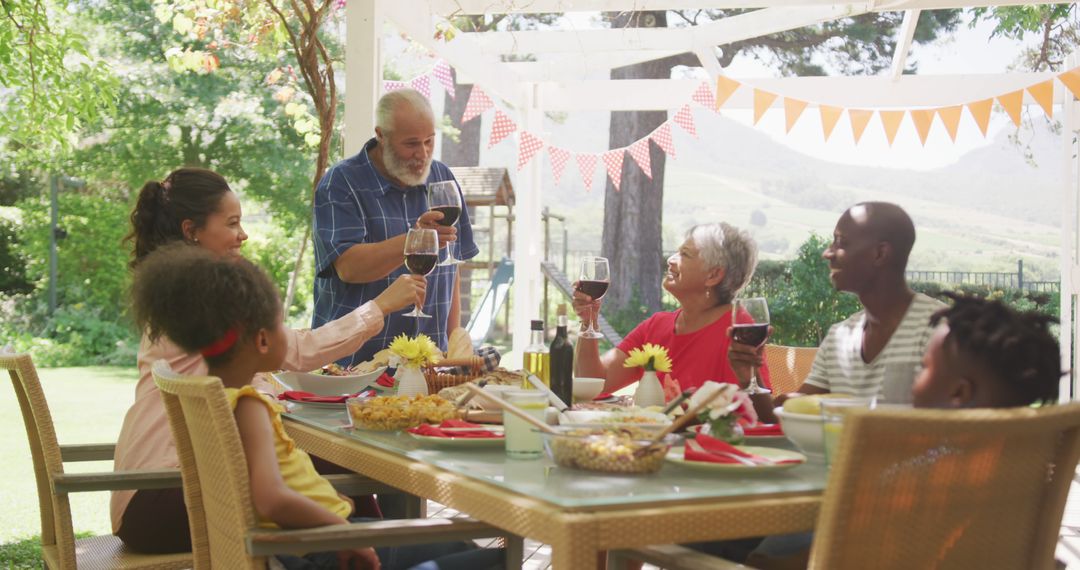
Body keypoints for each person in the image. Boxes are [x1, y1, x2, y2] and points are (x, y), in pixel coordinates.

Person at [131, 244, 503, 570]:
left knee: (452, 549)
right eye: (282, 325)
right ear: (261, 340)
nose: (291, 336)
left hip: (310, 542)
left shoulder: (214, 400)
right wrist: (341, 531)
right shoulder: (248, 407)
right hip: (320, 551)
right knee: (490, 555)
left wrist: (330, 501)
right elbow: (271, 498)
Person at [113, 167, 426, 554]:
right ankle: (377, 547)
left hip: (150, 497)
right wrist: (380, 306)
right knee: (347, 468)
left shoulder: (181, 295)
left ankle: (370, 547)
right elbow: (295, 351)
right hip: (166, 498)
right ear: (192, 229)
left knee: (337, 468)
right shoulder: (200, 301)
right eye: (232, 223)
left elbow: (263, 362)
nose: (242, 234)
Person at [746, 294, 1062, 570]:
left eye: (924, 368)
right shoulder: (1023, 483)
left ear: (959, 394)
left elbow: (833, 558)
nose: (914, 383)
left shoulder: (914, 482)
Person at [312, 89, 478, 368]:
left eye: (429, 141)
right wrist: (416, 240)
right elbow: (349, 268)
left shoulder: (442, 178)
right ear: (381, 135)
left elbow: (453, 266)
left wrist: (453, 344)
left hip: (429, 365)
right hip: (351, 367)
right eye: (411, 144)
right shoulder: (341, 183)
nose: (422, 154)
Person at [572, 222, 773, 415]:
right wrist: (589, 320)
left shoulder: (738, 330)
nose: (671, 259)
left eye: (685, 254)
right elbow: (596, 382)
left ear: (713, 275)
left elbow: (753, 415)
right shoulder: (656, 325)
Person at [778, 202, 944, 406]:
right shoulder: (839, 337)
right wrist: (749, 373)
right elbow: (788, 412)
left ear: (879, 254)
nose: (827, 253)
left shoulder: (939, 330)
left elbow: (950, 427)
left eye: (841, 243)